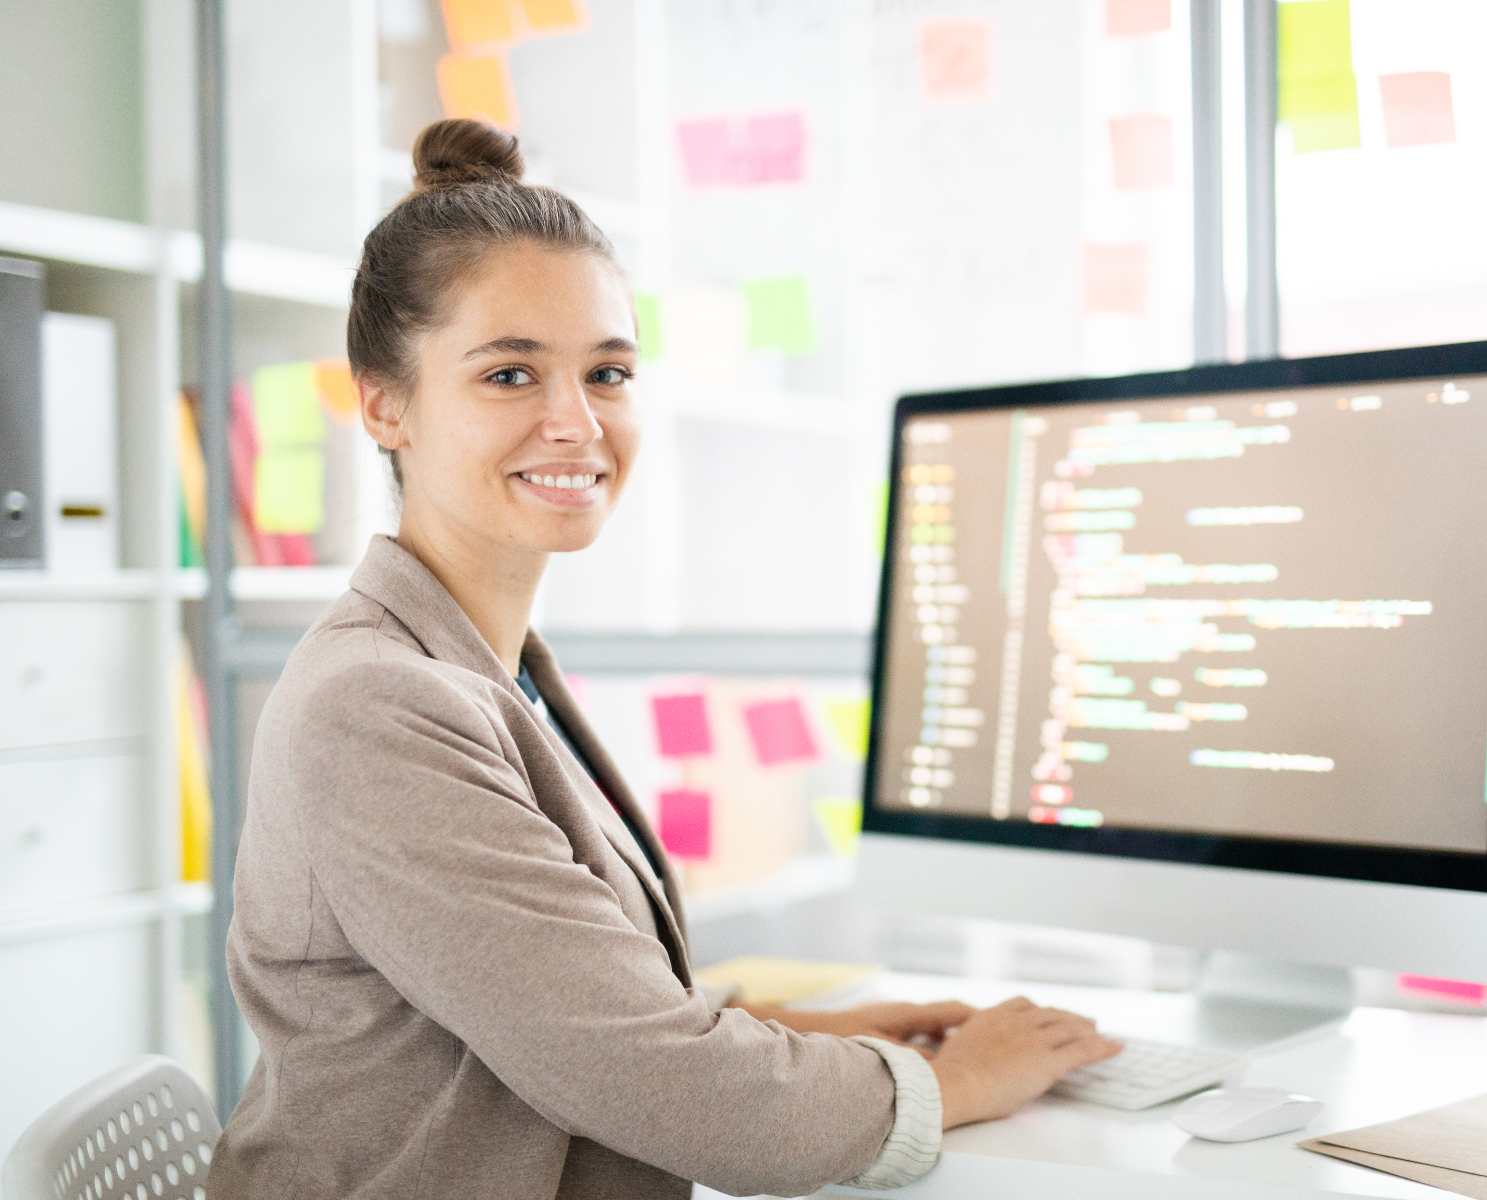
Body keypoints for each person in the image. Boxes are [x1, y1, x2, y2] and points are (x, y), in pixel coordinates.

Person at [205, 118, 1122, 1199]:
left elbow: (560, 1008)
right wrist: (954, 1081)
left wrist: (810, 1033)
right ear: (383, 402)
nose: (575, 421)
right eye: (509, 374)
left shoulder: (486, 671)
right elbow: (665, 1086)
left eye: (608, 372)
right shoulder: (377, 707)